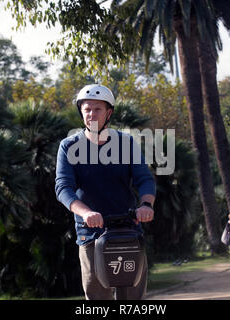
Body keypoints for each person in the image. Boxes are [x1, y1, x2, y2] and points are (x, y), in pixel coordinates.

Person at [55, 84, 156, 300]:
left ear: (109, 112)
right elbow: (64, 188)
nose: (91, 114)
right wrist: (85, 213)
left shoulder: (125, 143)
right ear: (81, 112)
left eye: (97, 109)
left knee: (132, 297)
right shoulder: (69, 146)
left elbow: (144, 179)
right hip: (90, 232)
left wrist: (146, 205)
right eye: (87, 109)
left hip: (127, 228)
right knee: (98, 297)